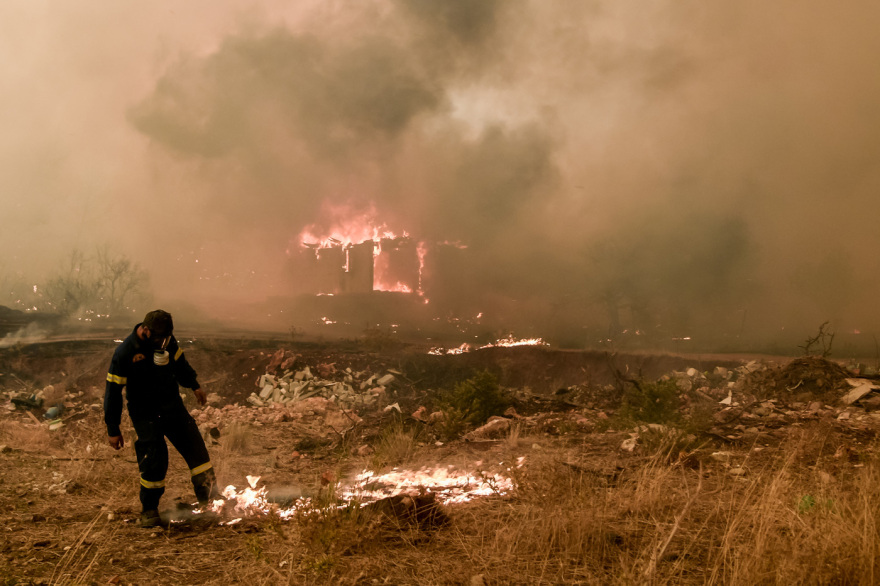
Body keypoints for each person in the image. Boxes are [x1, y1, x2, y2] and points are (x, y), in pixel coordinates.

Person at [104, 309, 220, 528]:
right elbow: (112, 392)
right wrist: (113, 427)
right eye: (159, 337)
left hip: (172, 407)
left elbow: (181, 365)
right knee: (154, 458)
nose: (163, 342)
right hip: (144, 413)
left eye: (166, 337)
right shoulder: (125, 352)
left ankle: (211, 499)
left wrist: (194, 385)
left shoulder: (167, 342)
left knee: (197, 450)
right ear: (145, 330)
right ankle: (149, 509)